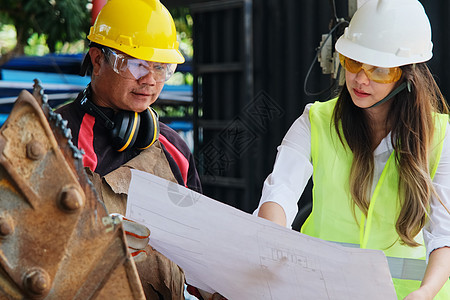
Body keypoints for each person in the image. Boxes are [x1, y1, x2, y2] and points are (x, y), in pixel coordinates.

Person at [254, 0, 450, 299]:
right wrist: (271, 244)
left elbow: (445, 233)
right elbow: (279, 192)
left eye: (379, 70)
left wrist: (425, 292)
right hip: (324, 291)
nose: (360, 78)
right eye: (353, 62)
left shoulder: (440, 136)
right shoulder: (315, 121)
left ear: (408, 74)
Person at [55, 0, 201, 299]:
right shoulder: (51, 139)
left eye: (160, 68)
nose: (149, 80)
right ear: (97, 60)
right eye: (136, 64)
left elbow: (198, 247)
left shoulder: (174, 150)